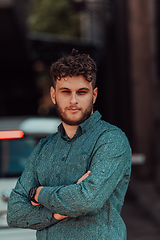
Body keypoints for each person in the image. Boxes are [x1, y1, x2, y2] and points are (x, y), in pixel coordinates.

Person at [7, 49, 132, 240]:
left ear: (94, 95)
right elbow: (15, 213)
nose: (73, 100)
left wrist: (38, 193)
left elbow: (87, 200)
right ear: (53, 94)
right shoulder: (43, 148)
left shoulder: (111, 140)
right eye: (65, 92)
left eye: (81, 92)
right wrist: (59, 212)